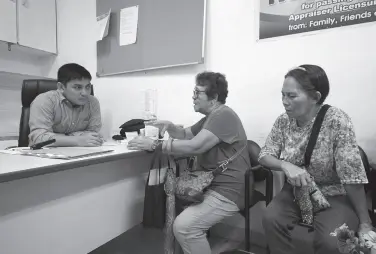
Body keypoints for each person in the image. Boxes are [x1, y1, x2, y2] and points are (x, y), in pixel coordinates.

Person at [127, 71, 251, 254]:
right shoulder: (211, 117)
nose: (193, 97)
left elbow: (195, 147)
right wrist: (170, 126)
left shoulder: (223, 115)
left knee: (184, 227)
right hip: (212, 185)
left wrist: (155, 144)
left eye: (197, 93)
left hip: (230, 190)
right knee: (181, 219)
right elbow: (185, 134)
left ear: (214, 97)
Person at [259, 64, 372, 254]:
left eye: (292, 96)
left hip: (334, 194)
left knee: (333, 241)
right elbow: (264, 155)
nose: (285, 102)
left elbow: (352, 176)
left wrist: (365, 221)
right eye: (283, 95)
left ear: (315, 97)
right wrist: (284, 165)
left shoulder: (336, 121)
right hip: (297, 192)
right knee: (271, 219)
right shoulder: (283, 121)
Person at [29, 63, 103, 147]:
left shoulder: (92, 102)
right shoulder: (45, 100)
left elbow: (92, 135)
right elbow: (39, 138)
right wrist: (77, 140)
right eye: (78, 87)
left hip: (79, 152)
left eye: (87, 87)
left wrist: (64, 138)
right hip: (43, 155)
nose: (85, 93)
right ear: (61, 87)